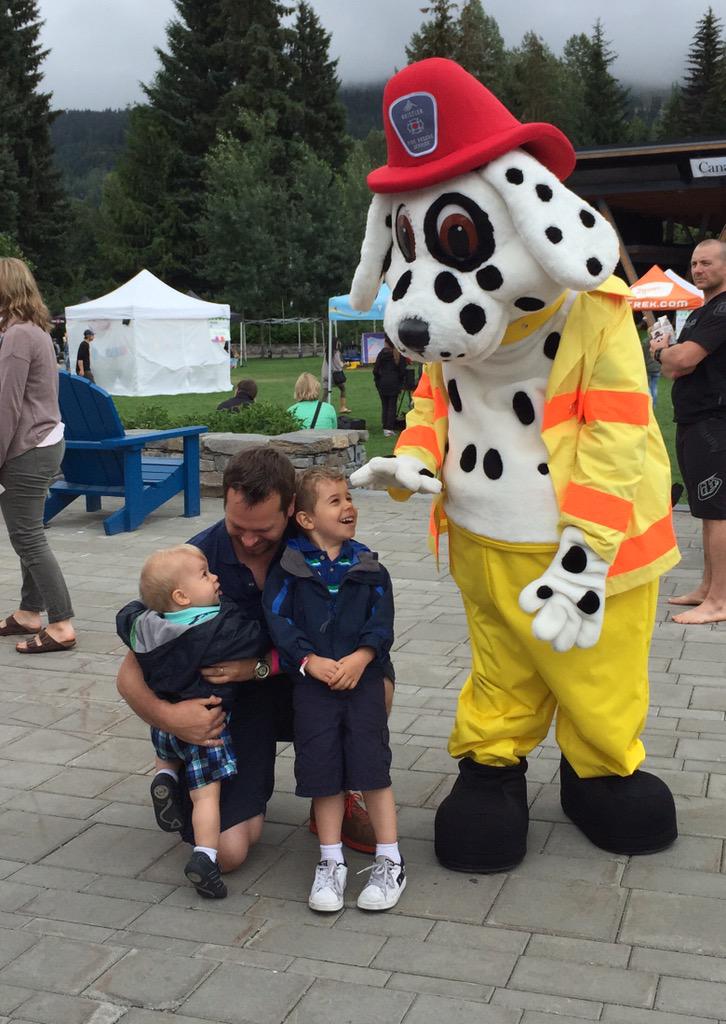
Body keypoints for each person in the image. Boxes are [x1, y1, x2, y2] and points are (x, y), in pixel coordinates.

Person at [116, 447, 386, 873]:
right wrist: (172, 718)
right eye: (236, 526)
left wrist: (261, 666)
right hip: (239, 709)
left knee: (376, 681)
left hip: (309, 685)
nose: (247, 540)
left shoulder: (318, 547)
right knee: (227, 854)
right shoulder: (195, 560)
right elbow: (130, 672)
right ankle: (189, 787)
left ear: (294, 509)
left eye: (263, 530)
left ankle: (337, 793)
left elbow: (368, 623)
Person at [263, 468, 406, 912]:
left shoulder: (368, 566)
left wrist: (363, 657)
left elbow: (382, 623)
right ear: (305, 519)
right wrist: (308, 661)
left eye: (349, 498)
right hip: (313, 686)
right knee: (323, 772)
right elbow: (279, 622)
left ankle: (390, 859)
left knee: (371, 768)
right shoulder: (288, 568)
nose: (349, 507)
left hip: (361, 684)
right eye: (335, 501)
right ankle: (330, 862)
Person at [117, 544, 269, 898]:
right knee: (206, 799)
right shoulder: (216, 628)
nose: (215, 577)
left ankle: (165, 777)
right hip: (207, 727)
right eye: (205, 575)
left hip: (166, 730)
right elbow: (254, 638)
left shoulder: (145, 624)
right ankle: (205, 855)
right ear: (183, 596)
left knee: (169, 753)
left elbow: (127, 617)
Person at [0, 258, 76, 654]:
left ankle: (61, 623)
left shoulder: (16, 337)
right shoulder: (34, 331)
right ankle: (30, 612)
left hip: (26, 448)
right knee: (27, 532)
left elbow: (7, 407)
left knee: (27, 537)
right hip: (43, 442)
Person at [650, 238, 726, 625]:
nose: (698, 270)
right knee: (706, 510)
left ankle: (720, 601)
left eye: (707, 263)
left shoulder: (724, 309)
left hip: (716, 422)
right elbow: (673, 369)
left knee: (719, 512)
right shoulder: (700, 311)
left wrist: (664, 352)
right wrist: (670, 356)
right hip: (693, 421)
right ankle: (706, 589)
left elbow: (682, 358)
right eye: (694, 263)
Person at [373, 337, 406, 436]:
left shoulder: (382, 354)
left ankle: (385, 426)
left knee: (385, 405)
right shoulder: (399, 354)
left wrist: (378, 380)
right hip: (394, 383)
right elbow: (402, 371)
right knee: (392, 406)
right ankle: (389, 427)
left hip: (383, 383)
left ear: (386, 343)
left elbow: (375, 370)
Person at [321, 339, 351, 413]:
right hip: (333, 375)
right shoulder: (336, 352)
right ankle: (342, 407)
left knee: (325, 394)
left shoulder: (327, 352)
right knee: (343, 389)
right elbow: (338, 365)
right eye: (338, 342)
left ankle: (320, 410)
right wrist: (345, 364)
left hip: (325, 374)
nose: (339, 343)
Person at [638, 316, 661, 407]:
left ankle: (648, 403)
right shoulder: (659, 342)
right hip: (657, 367)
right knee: (654, 386)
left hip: (647, 367)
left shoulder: (645, 342)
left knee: (647, 386)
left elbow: (642, 354)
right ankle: (653, 404)